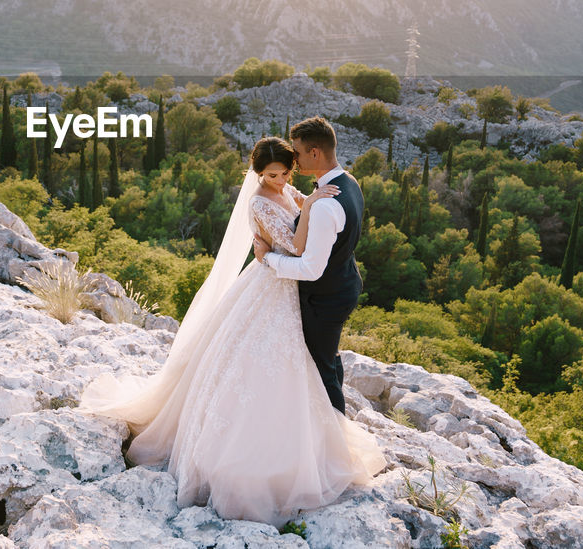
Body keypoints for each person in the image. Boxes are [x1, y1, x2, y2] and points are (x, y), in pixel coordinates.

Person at [79, 135, 384, 527]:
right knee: (255, 366)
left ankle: (315, 436)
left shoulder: (289, 188)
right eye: (272, 174)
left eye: (285, 172)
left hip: (288, 289)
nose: (280, 181)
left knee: (299, 366)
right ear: (256, 173)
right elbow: (293, 247)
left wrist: (308, 201)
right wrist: (310, 209)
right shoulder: (259, 200)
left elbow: (296, 223)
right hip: (274, 281)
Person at [252, 116, 363, 413]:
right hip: (344, 284)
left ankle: (335, 441)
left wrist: (267, 259)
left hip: (324, 297)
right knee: (329, 357)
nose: (295, 161)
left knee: (321, 371)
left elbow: (310, 268)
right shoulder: (348, 181)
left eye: (298, 154)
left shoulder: (325, 205)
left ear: (314, 152)